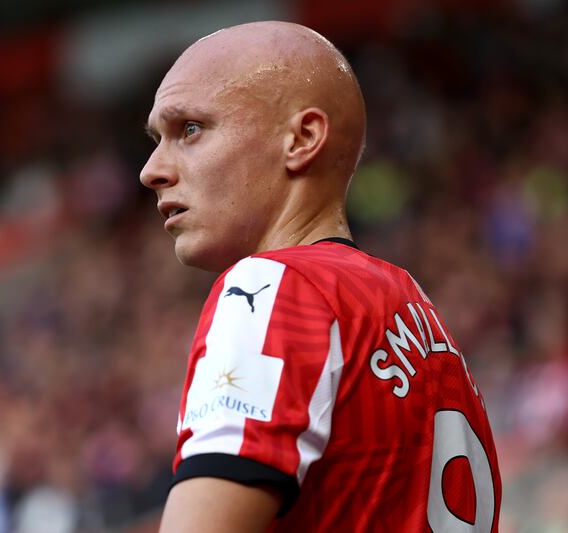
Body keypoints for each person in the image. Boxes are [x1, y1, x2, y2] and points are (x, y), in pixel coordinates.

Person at [140, 21, 501, 532]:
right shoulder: (415, 308)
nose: (151, 169)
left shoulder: (270, 290)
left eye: (190, 129)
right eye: (158, 139)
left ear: (302, 138)